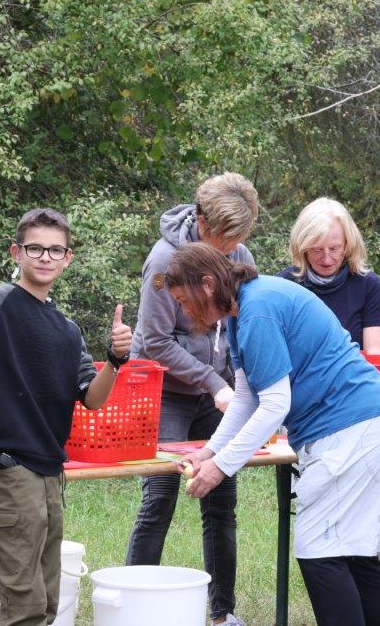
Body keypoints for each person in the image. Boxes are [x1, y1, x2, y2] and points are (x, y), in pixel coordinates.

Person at [0, 208, 133, 626]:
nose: (45, 257)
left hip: (51, 473)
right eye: (35, 248)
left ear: (68, 257)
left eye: (55, 250)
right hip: (6, 468)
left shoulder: (67, 330)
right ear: (17, 252)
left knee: (48, 601)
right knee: (25, 606)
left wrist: (116, 360)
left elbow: (92, 398)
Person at [171, 242, 380, 626]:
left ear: (208, 284)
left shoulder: (257, 311)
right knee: (355, 553)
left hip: (351, 429)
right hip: (366, 425)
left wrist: (222, 468)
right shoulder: (239, 312)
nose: (184, 310)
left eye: (183, 300)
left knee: (320, 553)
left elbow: (275, 403)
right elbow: (246, 396)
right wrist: (209, 453)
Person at [125, 172, 259, 626]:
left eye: (237, 239)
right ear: (200, 219)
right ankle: (135, 607)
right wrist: (212, 382)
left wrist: (235, 387)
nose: (229, 249)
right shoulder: (164, 261)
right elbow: (156, 341)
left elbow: (241, 326)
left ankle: (222, 614)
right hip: (168, 393)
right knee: (159, 494)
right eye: (222, 237)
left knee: (221, 495)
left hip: (218, 393)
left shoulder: (239, 254)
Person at [277, 197, 380, 625]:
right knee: (334, 531)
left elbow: (373, 354)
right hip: (307, 417)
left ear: (348, 244)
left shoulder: (367, 285)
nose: (326, 256)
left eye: (334, 248)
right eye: (317, 248)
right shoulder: (287, 285)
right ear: (302, 247)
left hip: (357, 412)